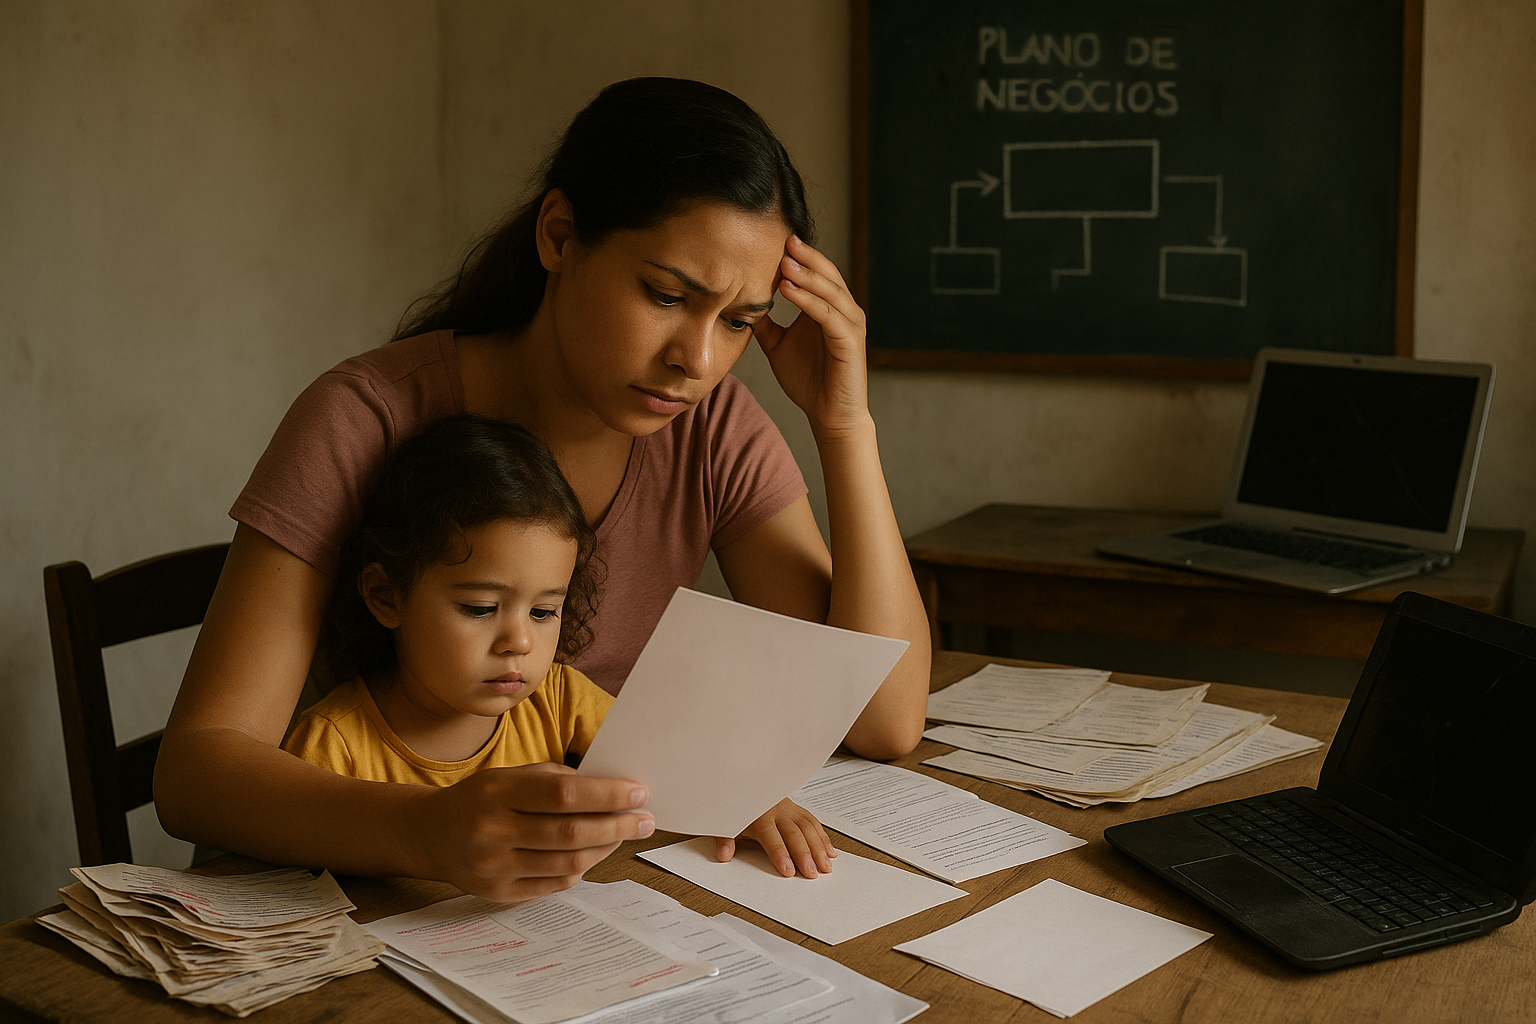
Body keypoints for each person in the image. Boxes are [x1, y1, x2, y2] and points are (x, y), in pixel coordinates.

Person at [156, 77, 929, 902]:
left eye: (738, 321)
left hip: (577, 898)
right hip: (340, 897)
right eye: (667, 296)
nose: (696, 362)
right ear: (560, 235)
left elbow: (881, 720)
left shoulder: (713, 428)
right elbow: (198, 772)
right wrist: (427, 827)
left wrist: (845, 427)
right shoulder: (365, 417)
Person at [284, 414, 835, 873]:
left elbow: (672, 763)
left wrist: (743, 799)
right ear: (385, 596)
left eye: (545, 611)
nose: (519, 641)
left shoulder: (558, 696)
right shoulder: (329, 747)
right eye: (480, 608)